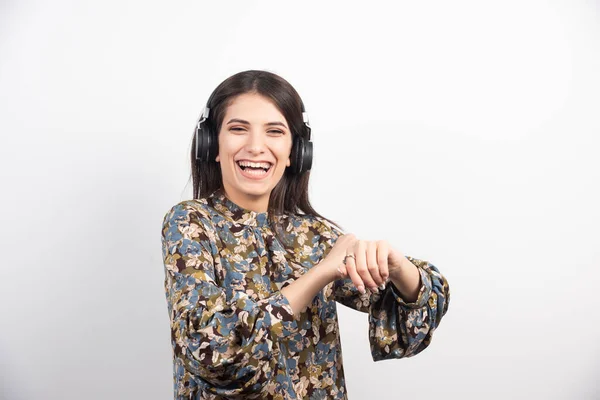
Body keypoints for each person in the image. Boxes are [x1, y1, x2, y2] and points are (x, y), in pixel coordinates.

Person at [160, 70, 450, 399]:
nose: (256, 147)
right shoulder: (191, 222)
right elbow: (211, 351)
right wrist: (319, 274)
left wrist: (398, 267)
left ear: (294, 153)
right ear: (212, 144)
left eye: (275, 132)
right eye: (238, 129)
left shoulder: (312, 234)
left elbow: (412, 314)